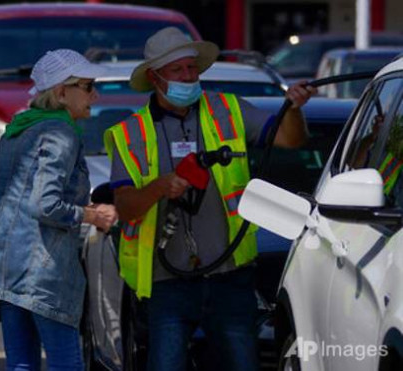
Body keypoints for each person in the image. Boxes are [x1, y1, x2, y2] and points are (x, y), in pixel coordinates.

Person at [104, 27, 317, 370]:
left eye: (192, 68)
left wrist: (292, 108)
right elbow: (126, 208)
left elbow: (291, 140)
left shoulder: (228, 109)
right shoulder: (130, 132)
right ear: (156, 78)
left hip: (229, 277)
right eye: (178, 70)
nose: (189, 76)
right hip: (166, 284)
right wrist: (159, 187)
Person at [0, 49, 118, 371]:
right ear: (61, 92)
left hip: (7, 269)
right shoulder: (61, 132)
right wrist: (91, 214)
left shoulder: (18, 130)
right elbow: (46, 204)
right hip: (45, 271)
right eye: (87, 86)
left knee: (22, 364)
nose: (94, 94)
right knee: (66, 363)